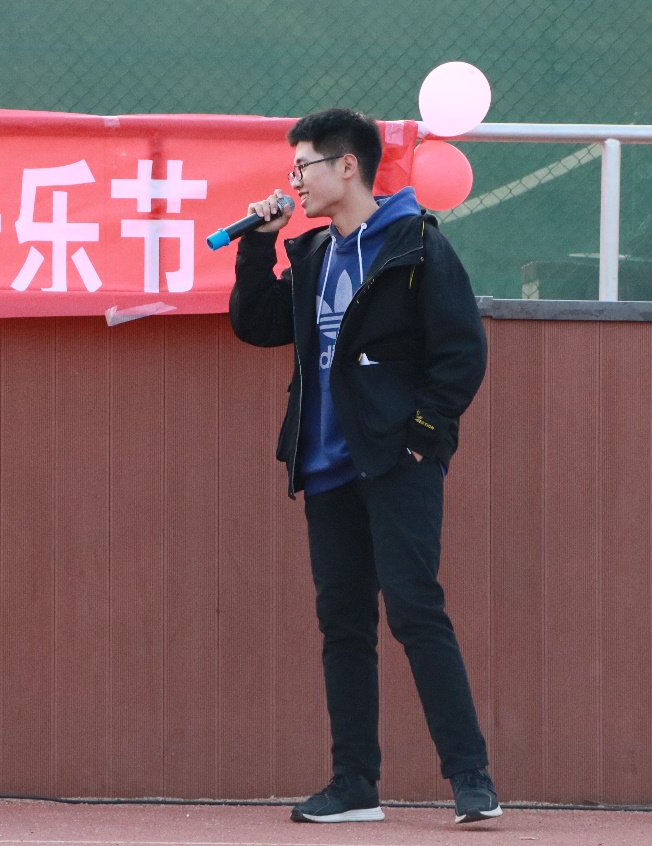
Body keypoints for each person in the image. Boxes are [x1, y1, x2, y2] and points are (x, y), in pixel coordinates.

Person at [228, 109, 501, 825]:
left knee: (415, 609)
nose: (294, 181)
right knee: (343, 625)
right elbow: (257, 323)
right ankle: (354, 784)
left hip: (395, 462)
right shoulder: (315, 254)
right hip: (326, 468)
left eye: (304, 167)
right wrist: (258, 244)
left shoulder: (414, 244)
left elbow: (461, 352)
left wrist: (421, 436)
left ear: (347, 166)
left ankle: (471, 778)